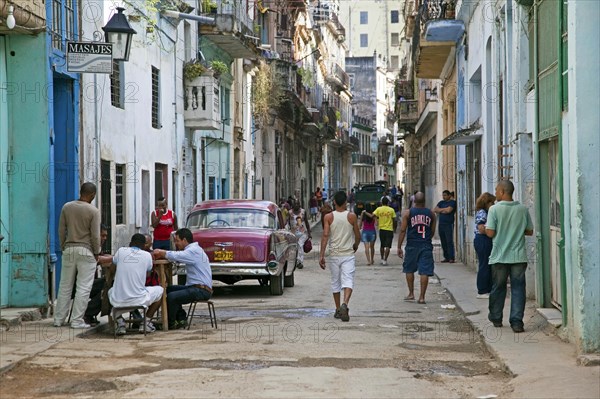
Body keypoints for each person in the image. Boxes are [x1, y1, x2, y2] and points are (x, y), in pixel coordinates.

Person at [485, 180, 533, 333]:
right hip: (518, 256)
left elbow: (491, 232)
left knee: (498, 287)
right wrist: (516, 230)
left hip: (499, 256)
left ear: (502, 192)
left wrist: (487, 230)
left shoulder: (494, 209)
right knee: (518, 288)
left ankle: (496, 317)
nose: (496, 192)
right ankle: (517, 322)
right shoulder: (523, 209)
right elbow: (529, 231)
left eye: (497, 189)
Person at [54, 182, 101, 329]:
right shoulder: (93, 211)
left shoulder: (67, 207)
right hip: (86, 251)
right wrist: (97, 252)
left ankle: (58, 319)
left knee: (64, 286)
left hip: (68, 249)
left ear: (80, 192)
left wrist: (63, 246)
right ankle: (76, 320)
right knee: (83, 287)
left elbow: (61, 230)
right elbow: (95, 236)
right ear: (92, 195)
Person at [154, 228, 212, 330]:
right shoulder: (193, 250)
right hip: (194, 287)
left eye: (177, 241)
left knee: (172, 297)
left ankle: (171, 323)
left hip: (201, 290)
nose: (176, 244)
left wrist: (162, 252)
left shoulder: (193, 251)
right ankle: (181, 318)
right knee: (168, 289)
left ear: (184, 240)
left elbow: (178, 256)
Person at [108, 234, 164, 335]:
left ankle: (120, 324)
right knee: (161, 290)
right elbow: (148, 274)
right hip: (139, 299)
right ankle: (145, 323)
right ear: (143, 246)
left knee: (109, 291)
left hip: (118, 301)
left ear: (130, 244)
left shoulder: (120, 251)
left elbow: (112, 268)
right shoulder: (147, 255)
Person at [319, 191, 361, 322]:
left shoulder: (328, 217)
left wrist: (321, 255)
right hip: (348, 254)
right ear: (346, 203)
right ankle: (345, 304)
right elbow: (357, 234)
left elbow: (325, 236)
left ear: (335, 203)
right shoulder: (352, 216)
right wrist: (355, 245)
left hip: (334, 254)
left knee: (335, 282)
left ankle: (337, 309)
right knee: (348, 280)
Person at [396, 192, 436, 304]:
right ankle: (422, 297)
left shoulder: (408, 213)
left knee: (409, 269)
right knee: (425, 271)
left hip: (412, 245)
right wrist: (427, 239)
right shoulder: (431, 214)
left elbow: (403, 230)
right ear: (425, 201)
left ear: (414, 201)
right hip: (426, 244)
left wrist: (399, 246)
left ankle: (411, 293)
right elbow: (432, 231)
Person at [474, 192, 496, 299]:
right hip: (482, 240)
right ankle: (482, 290)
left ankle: (488, 288)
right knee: (484, 265)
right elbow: (481, 228)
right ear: (487, 202)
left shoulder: (487, 212)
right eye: (492, 202)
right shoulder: (482, 213)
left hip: (485, 240)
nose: (494, 204)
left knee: (488, 264)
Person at [369, 197, 396, 265]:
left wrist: (366, 213)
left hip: (382, 229)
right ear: (388, 203)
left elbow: (372, 215)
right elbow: (394, 220)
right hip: (389, 229)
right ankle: (385, 260)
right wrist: (394, 228)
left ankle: (381, 258)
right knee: (388, 246)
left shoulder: (379, 209)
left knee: (382, 245)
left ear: (382, 203)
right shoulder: (391, 210)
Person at [434, 190, 457, 263]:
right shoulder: (441, 202)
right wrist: (444, 210)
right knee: (443, 241)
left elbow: (449, 210)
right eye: (443, 195)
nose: (444, 197)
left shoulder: (453, 202)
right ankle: (446, 257)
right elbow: (435, 209)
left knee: (449, 241)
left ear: (449, 195)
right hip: (441, 224)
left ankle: (451, 257)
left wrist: (441, 210)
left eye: (445, 195)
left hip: (449, 224)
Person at [288, 200, 311, 269]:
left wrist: (309, 233)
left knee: (300, 244)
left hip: (302, 233)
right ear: (293, 205)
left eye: (298, 204)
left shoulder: (303, 212)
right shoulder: (290, 212)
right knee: (294, 247)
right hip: (293, 233)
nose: (296, 205)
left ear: (300, 205)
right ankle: (295, 261)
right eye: (295, 204)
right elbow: (287, 222)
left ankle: (300, 261)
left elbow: (306, 222)